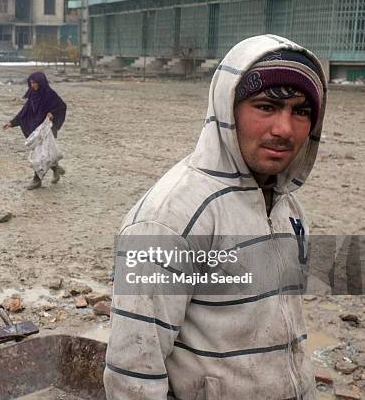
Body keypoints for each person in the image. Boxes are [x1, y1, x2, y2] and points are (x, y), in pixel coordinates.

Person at [104, 35, 327, 399]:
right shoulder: (167, 218)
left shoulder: (286, 207)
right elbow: (133, 374)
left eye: (300, 111)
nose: (284, 129)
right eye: (266, 107)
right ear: (228, 110)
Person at [4, 71, 67, 190]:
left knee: (39, 156)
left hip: (46, 129)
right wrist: (12, 122)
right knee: (44, 154)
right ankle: (56, 169)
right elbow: (24, 112)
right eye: (31, 83)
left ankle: (36, 180)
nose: (32, 85)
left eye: (35, 83)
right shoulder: (33, 94)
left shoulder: (49, 94)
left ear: (41, 82)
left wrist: (52, 114)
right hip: (35, 129)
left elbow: (61, 107)